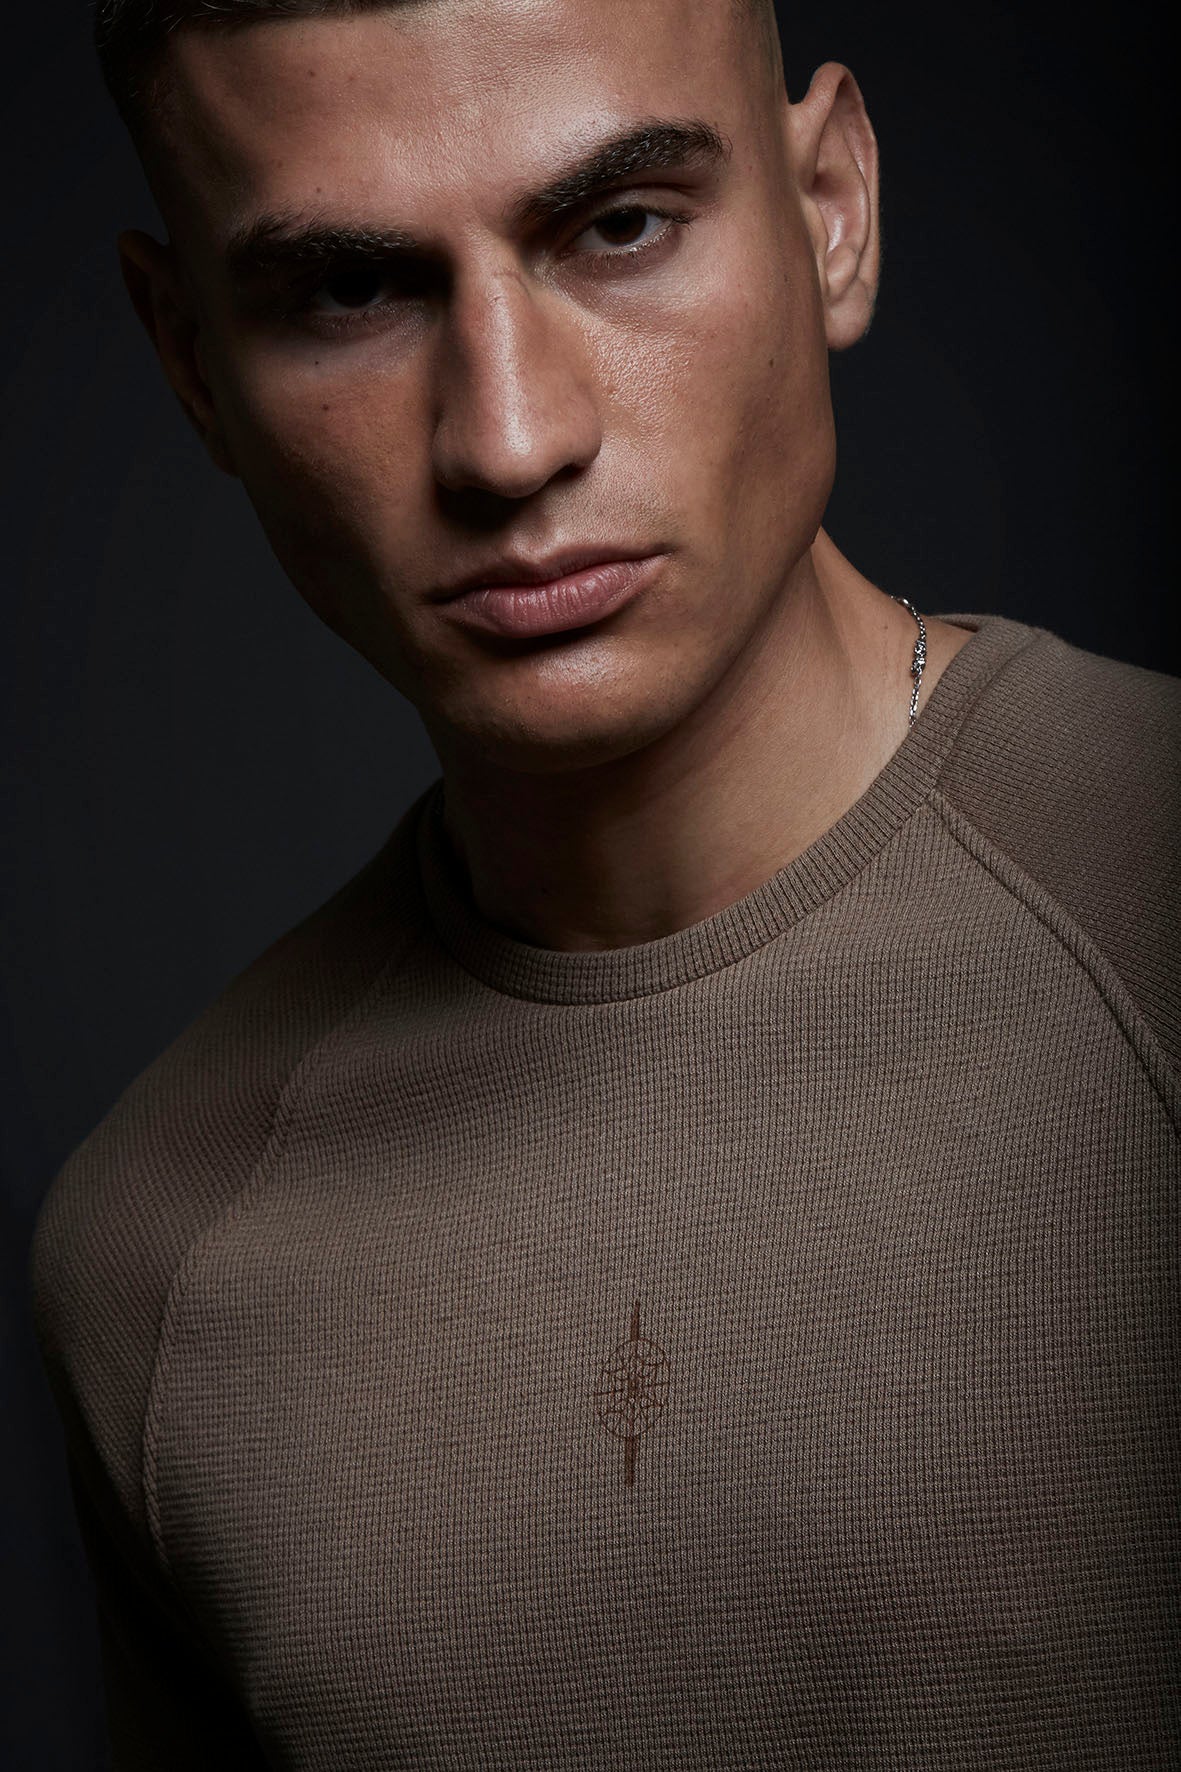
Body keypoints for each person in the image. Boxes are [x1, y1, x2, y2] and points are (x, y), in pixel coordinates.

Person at [29, 0, 1178, 1766]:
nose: (506, 439)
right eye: (350, 290)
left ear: (831, 210)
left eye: (620, 227)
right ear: (192, 364)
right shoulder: (158, 1258)